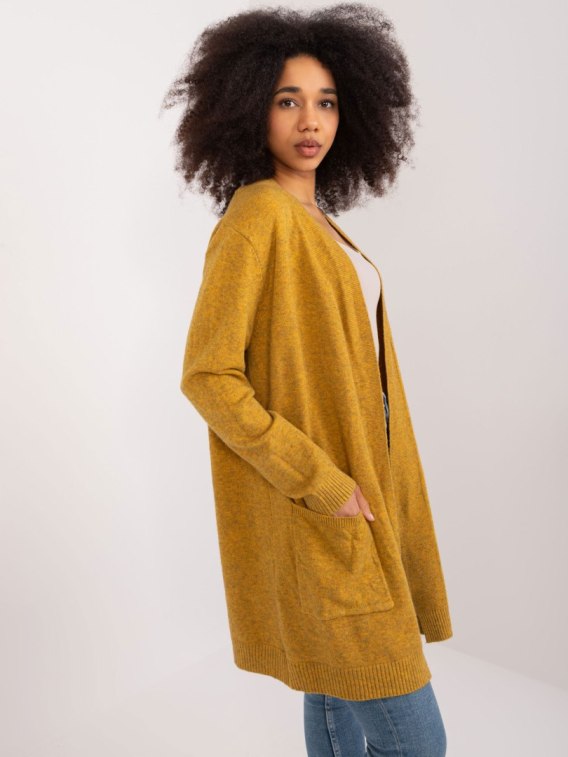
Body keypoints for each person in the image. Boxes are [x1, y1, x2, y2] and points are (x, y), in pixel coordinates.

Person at [162, 4, 453, 755]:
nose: (309, 120)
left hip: (360, 505)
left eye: (326, 101)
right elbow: (208, 375)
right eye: (287, 100)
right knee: (418, 741)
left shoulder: (316, 218)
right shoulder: (257, 216)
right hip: (326, 507)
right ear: (248, 107)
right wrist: (323, 482)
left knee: (333, 703)